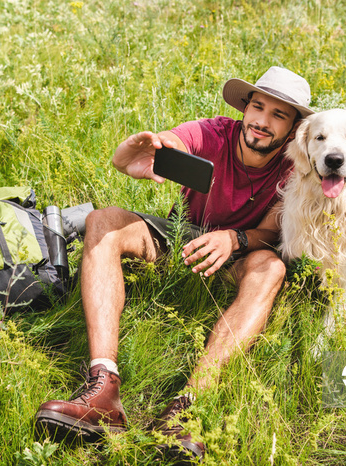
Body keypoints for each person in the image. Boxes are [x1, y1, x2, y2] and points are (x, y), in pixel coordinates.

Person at [34, 66, 313, 460]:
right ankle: (102, 388)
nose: (262, 122)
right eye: (258, 107)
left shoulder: (296, 163)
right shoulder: (216, 132)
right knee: (103, 220)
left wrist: (235, 238)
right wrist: (137, 153)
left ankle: (187, 407)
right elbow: (174, 141)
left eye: (278, 115)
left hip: (241, 253)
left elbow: (272, 230)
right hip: (182, 236)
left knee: (274, 268)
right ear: (245, 107)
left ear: (294, 126)